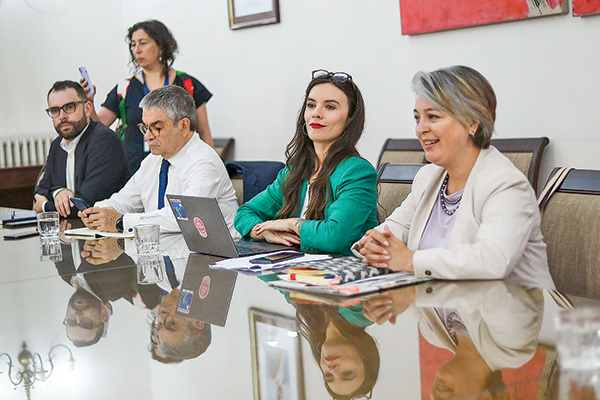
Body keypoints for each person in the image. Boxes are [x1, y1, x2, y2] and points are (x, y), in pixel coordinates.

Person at [354, 65, 554, 287]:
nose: (421, 129)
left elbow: (494, 259)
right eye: (417, 118)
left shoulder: (505, 184)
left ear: (472, 123)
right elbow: (394, 229)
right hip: (438, 307)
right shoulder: (428, 177)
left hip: (503, 312)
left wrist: (410, 260)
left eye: (432, 116)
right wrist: (374, 243)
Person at [234, 70, 378, 255]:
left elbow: (334, 236)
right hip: (294, 271)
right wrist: (265, 232)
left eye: (330, 107)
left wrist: (290, 224)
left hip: (339, 276)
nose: (316, 114)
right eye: (311, 105)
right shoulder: (296, 169)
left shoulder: (357, 171)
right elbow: (245, 212)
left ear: (350, 118)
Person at [78, 85, 238, 234]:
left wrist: (121, 222)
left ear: (183, 126)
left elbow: (183, 219)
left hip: (213, 258)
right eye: (145, 128)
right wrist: (98, 211)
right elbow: (126, 199)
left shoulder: (203, 162)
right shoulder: (153, 161)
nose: (147, 137)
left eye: (157, 128)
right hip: (166, 252)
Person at [81, 19, 214, 173]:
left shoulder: (187, 84)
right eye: (133, 44)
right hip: (134, 172)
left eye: (143, 43)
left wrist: (210, 168)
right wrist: (89, 103)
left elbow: (204, 133)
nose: (136, 50)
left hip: (182, 170)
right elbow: (100, 125)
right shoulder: (124, 88)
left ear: (161, 46)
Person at [34, 81, 130, 218]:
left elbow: (86, 206)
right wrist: (59, 192)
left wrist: (44, 206)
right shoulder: (57, 145)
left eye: (69, 107)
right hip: (72, 233)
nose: (62, 116)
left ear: (88, 109)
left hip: (106, 233)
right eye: (55, 110)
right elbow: (40, 191)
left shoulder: (104, 140)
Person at [296, 303, 379, 399]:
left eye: (328, 375)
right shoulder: (362, 314)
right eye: (347, 373)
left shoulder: (311, 314)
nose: (332, 369)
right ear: (366, 356)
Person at [150, 288, 211, 361]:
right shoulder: (215, 283)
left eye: (159, 324)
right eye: (172, 324)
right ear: (198, 321)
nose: (160, 316)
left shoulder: (162, 283)